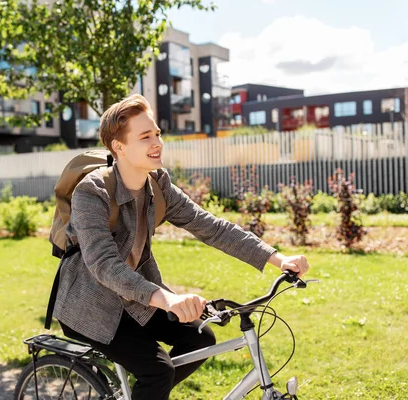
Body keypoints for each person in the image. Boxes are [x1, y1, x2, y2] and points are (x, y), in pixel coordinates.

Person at [52, 94, 310, 400]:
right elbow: (104, 265)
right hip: (90, 304)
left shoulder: (157, 184)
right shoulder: (91, 192)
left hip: (136, 297)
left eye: (158, 134)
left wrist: (278, 259)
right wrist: (169, 300)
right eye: (145, 136)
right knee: (158, 371)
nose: (157, 142)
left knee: (201, 338)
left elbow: (211, 227)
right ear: (118, 147)